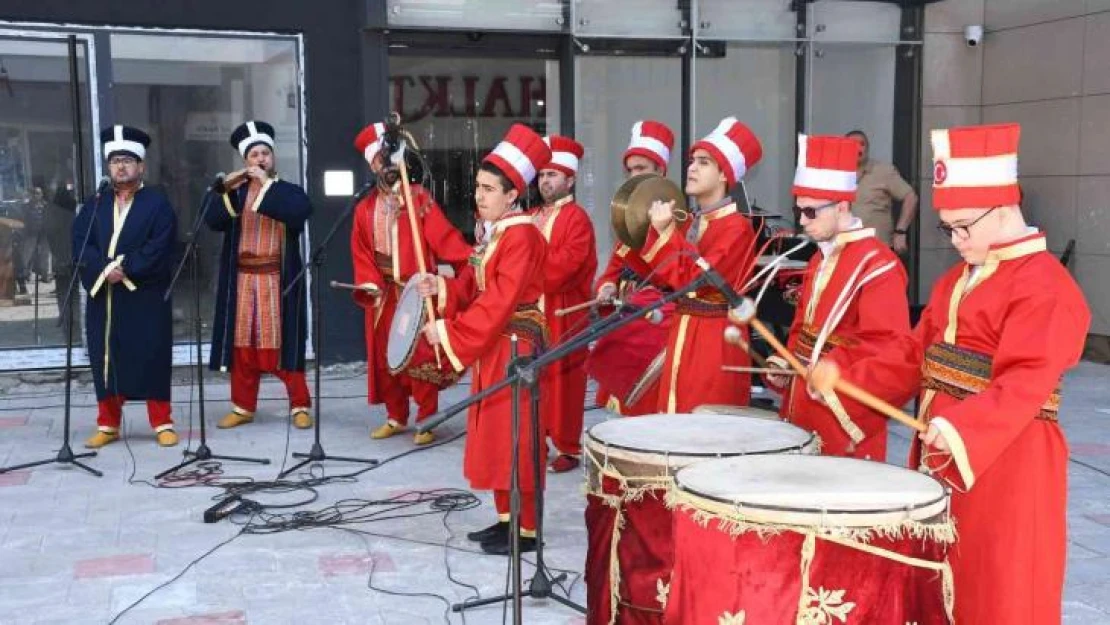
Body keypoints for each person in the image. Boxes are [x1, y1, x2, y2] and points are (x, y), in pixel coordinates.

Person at [814, 123, 1090, 624]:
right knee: (941, 581)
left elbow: (1026, 379)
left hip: (1008, 463)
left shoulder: (1045, 285)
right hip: (944, 456)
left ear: (1005, 207)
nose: (955, 240)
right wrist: (848, 376)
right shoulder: (956, 282)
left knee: (998, 587)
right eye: (948, 228)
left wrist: (962, 428)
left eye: (964, 226)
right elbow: (912, 354)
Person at [417, 123, 551, 555]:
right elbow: (473, 286)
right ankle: (506, 519)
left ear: (513, 195)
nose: (479, 196)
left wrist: (450, 332)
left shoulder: (523, 236)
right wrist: (440, 286)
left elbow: (499, 300)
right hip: (495, 344)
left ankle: (527, 530)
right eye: (477, 186)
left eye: (490, 189)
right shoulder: (496, 234)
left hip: (516, 348)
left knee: (516, 436)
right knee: (495, 436)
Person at [764, 134, 913, 460]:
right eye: (798, 210)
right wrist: (785, 361)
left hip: (839, 406)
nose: (802, 221)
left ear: (842, 206)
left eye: (810, 212)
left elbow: (889, 350)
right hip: (803, 398)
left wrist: (835, 370)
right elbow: (802, 329)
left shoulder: (879, 265)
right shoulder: (819, 258)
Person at [349, 121, 471, 445]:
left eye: (386, 158)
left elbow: (446, 240)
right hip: (383, 293)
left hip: (415, 290)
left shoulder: (418, 199)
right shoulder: (364, 208)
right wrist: (369, 283)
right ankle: (395, 415)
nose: (383, 165)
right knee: (388, 357)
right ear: (372, 166)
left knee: (419, 357)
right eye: (377, 161)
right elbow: (361, 252)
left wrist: (467, 266)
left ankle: (427, 417)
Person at [641, 117, 761, 413]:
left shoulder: (737, 227)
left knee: (705, 422)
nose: (691, 167)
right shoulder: (693, 220)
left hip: (715, 338)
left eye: (703, 162)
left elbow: (695, 277)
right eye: (692, 160)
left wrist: (666, 232)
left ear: (724, 175)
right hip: (685, 327)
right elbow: (662, 274)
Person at [204, 121, 313, 430]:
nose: (261, 159)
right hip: (241, 280)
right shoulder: (235, 195)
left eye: (266, 153)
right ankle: (242, 406)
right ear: (245, 161)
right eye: (254, 155)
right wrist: (225, 188)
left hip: (277, 279)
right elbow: (211, 220)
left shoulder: (287, 192)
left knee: (282, 345)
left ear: (273, 158)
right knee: (242, 345)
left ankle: (300, 404)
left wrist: (265, 185)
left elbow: (299, 212)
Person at [76, 125, 178, 448]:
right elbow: (80, 241)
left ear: (141, 166)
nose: (121, 166)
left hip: (143, 294)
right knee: (106, 356)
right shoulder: (94, 205)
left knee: (151, 354)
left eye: (128, 160)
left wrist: (126, 268)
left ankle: (161, 421)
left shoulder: (157, 204)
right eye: (115, 161)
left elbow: (161, 246)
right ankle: (108, 423)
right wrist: (104, 268)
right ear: (108, 167)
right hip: (104, 295)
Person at [591, 120, 676, 416]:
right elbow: (614, 265)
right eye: (630, 170)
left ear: (661, 171)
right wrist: (606, 285)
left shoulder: (678, 218)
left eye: (641, 169)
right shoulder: (627, 220)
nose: (634, 176)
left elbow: (675, 274)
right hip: (629, 312)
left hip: (656, 320)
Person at [533, 135, 596, 473]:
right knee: (537, 380)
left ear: (570, 179)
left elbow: (567, 264)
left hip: (565, 311)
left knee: (564, 382)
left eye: (553, 175)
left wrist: (527, 269)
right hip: (534, 312)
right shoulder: (530, 215)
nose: (546, 181)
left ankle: (568, 447)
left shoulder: (578, 219)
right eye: (542, 174)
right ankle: (537, 440)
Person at [846, 129, 918, 253]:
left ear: (867, 149)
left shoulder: (883, 171)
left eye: (862, 144)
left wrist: (900, 231)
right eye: (852, 144)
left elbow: (911, 197)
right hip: (844, 248)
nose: (858, 148)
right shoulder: (835, 174)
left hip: (877, 248)